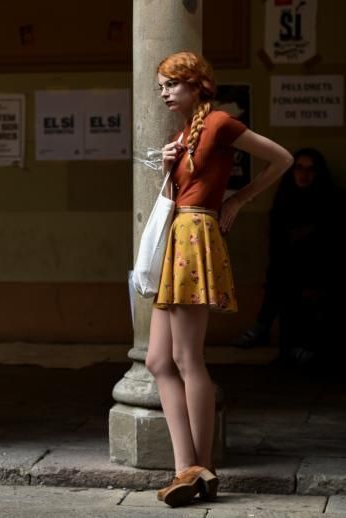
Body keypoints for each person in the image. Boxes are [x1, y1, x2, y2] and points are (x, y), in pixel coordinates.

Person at [145, 51, 293, 508]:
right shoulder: (183, 133)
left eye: (171, 84)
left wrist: (237, 201)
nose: (165, 93)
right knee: (156, 359)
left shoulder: (221, 123)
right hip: (178, 233)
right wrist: (168, 165)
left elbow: (282, 159)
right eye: (162, 87)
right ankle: (187, 468)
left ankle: (201, 467)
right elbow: (175, 195)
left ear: (196, 84)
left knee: (188, 356)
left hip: (195, 234)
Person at [235, 148, 345, 367]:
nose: (304, 175)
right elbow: (278, 243)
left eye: (310, 170)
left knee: (288, 279)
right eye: (299, 169)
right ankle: (280, 339)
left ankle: (263, 326)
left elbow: (332, 242)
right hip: (289, 271)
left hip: (322, 271)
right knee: (283, 276)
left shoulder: (330, 200)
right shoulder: (286, 198)